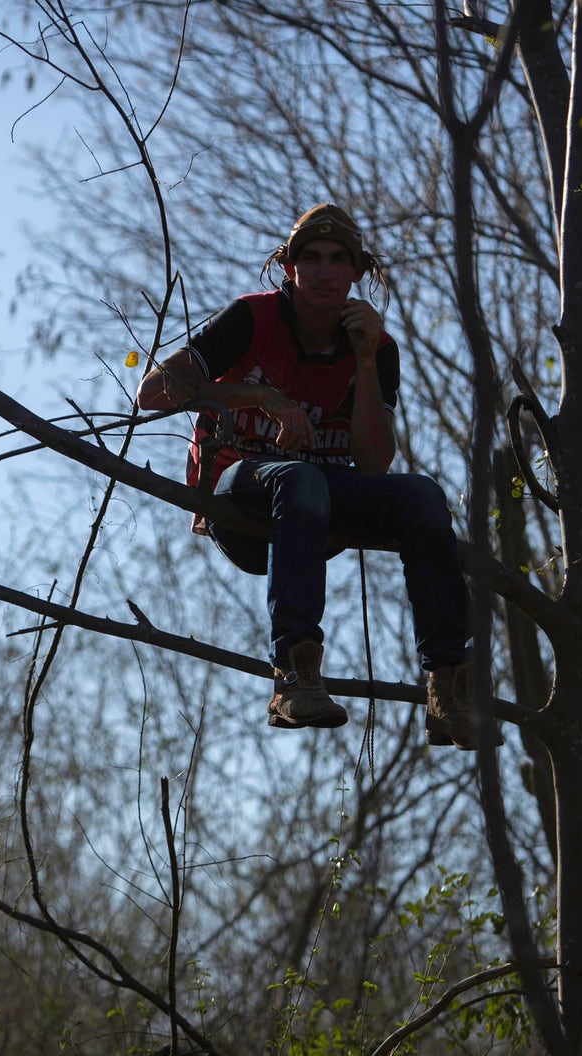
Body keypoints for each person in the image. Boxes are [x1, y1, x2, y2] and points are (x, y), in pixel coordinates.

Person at [137, 203, 498, 750]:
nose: (325, 271)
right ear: (290, 268)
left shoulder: (375, 346)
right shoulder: (251, 318)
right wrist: (257, 396)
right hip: (243, 499)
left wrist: (366, 365)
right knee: (300, 479)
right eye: (311, 258)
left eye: (338, 259)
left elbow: (374, 466)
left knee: (422, 497)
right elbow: (152, 395)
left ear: (356, 272)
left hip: (318, 513)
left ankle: (448, 686)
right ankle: (295, 675)